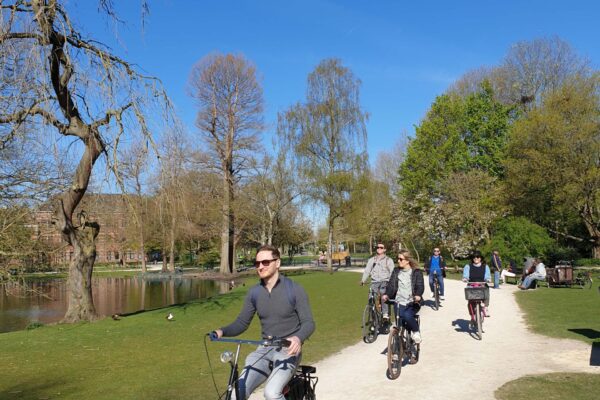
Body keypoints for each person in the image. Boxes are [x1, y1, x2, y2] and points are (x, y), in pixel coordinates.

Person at [211, 245, 315, 400]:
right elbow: (242, 323)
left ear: (277, 263)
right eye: (257, 263)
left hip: (288, 351)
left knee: (271, 394)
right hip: (264, 349)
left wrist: (297, 338)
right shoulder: (254, 293)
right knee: (235, 394)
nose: (260, 266)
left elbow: (309, 323)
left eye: (265, 262)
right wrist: (221, 331)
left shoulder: (294, 289)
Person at [382, 249, 424, 344]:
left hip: (412, 302)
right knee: (399, 325)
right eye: (398, 259)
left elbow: (420, 286)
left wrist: (417, 295)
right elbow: (391, 286)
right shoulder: (396, 271)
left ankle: (416, 332)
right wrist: (387, 295)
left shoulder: (416, 272)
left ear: (407, 260)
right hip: (398, 302)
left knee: (407, 315)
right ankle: (397, 349)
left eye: (401, 259)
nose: (398, 261)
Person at [360, 242, 394, 322]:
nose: (379, 248)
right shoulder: (372, 260)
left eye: (381, 247)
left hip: (384, 281)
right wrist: (363, 280)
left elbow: (392, 273)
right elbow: (367, 271)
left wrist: (391, 283)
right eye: (378, 247)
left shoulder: (388, 260)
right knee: (371, 296)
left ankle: (385, 313)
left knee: (383, 295)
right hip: (374, 282)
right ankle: (372, 312)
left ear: (384, 250)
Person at [462, 250, 492, 317]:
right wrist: (465, 278)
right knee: (470, 301)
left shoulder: (485, 266)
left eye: (478, 257)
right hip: (471, 285)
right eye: (474, 257)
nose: (476, 258)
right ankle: (472, 315)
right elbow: (466, 275)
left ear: (480, 258)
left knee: (486, 291)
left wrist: (488, 279)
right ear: (472, 258)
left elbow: (487, 276)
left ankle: (485, 307)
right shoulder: (468, 266)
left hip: (482, 284)